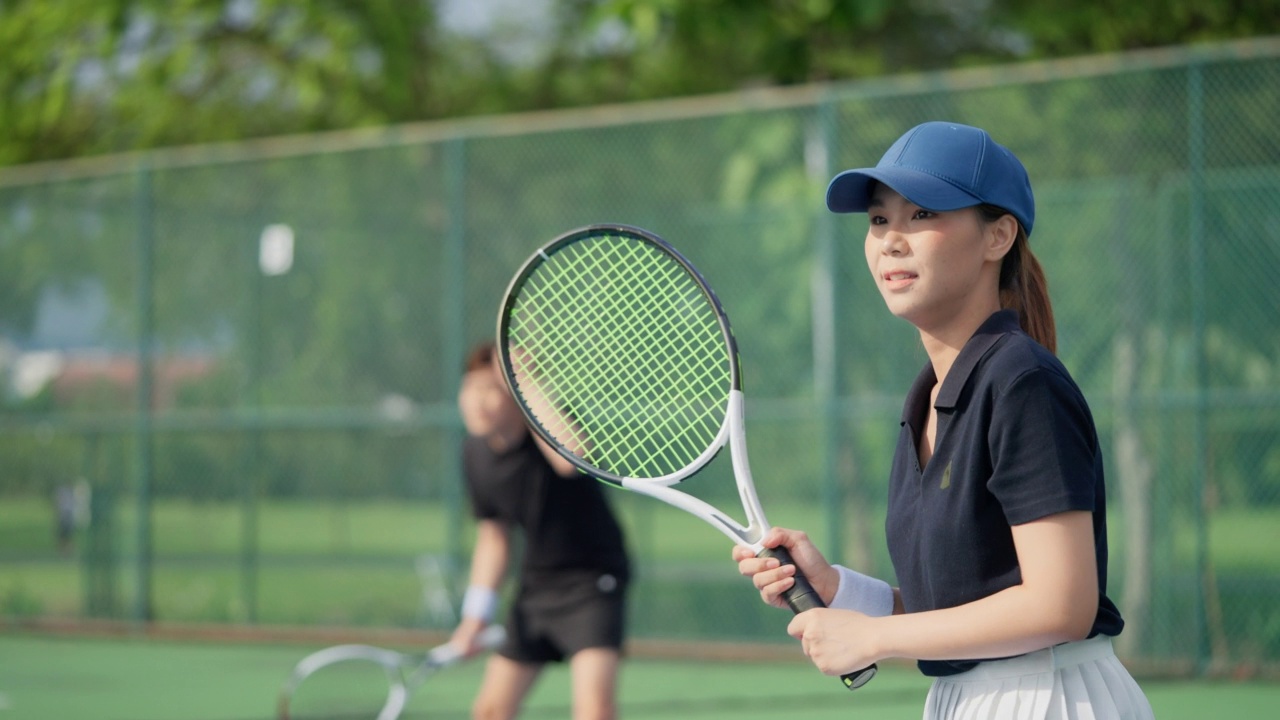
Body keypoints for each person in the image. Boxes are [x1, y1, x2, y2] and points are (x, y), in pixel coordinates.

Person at [733, 121, 1153, 719]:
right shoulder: (927, 399)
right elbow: (969, 607)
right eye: (879, 220)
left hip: (1051, 697)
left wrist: (873, 639)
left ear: (998, 236)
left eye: (923, 214)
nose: (890, 240)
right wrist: (838, 592)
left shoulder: (1021, 381)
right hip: (971, 697)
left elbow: (1061, 605)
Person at [449, 341, 631, 720]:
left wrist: (526, 381)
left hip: (592, 582)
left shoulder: (553, 430)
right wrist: (475, 617)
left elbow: (573, 461)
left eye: (492, 389)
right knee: (489, 712)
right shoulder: (474, 454)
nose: (477, 400)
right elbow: (493, 537)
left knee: (594, 712)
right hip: (536, 588)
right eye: (471, 387)